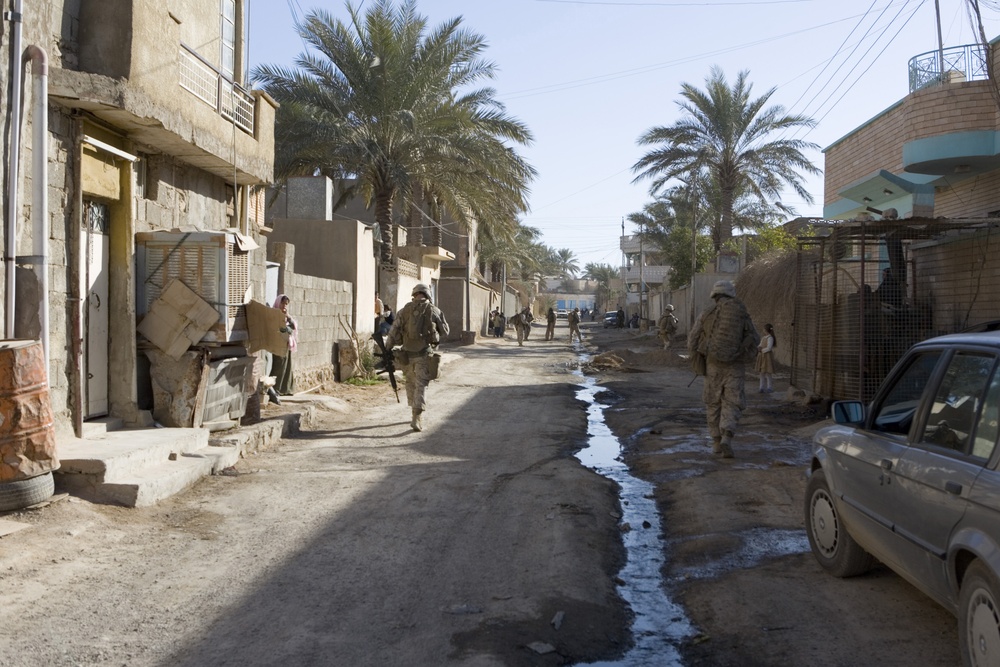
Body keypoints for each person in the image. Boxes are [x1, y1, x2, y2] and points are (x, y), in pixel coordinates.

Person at [688, 280, 759, 458]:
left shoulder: (706, 313)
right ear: (731, 294)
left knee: (713, 403)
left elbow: (692, 340)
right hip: (735, 366)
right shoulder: (741, 313)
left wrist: (697, 357)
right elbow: (755, 338)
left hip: (713, 365)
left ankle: (716, 442)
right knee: (732, 402)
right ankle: (727, 436)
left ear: (714, 296)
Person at [385, 283, 450, 432]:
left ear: (414, 295)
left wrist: (387, 347)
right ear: (428, 295)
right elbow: (445, 331)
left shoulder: (404, 310)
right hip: (423, 355)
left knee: (410, 382)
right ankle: (416, 416)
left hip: (406, 356)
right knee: (421, 385)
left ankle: (413, 411)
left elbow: (393, 331)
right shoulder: (434, 310)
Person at [272, 294, 297, 396]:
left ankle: (286, 389)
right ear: (278, 303)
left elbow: (292, 327)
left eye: (286, 304)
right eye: (282, 303)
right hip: (277, 344)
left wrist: (287, 317)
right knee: (278, 366)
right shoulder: (274, 313)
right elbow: (277, 327)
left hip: (286, 343)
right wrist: (286, 329)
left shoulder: (286, 315)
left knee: (286, 366)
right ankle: (276, 389)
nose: (284, 306)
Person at [756, 323, 776, 393]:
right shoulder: (764, 338)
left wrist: (762, 350)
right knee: (762, 373)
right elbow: (760, 344)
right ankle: (761, 387)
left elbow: (769, 348)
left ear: (766, 330)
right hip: (762, 357)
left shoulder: (770, 338)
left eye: (764, 329)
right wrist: (758, 347)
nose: (763, 330)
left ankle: (769, 387)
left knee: (768, 373)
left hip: (767, 357)